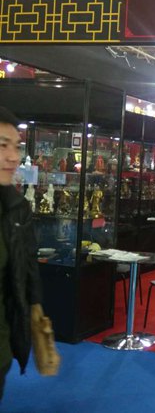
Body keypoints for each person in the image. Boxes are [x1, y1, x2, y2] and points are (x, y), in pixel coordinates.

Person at [0, 107, 59, 400]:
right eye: (2, 146)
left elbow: (26, 268)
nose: (13, 157)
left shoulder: (16, 207)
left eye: (16, 146)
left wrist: (35, 313)